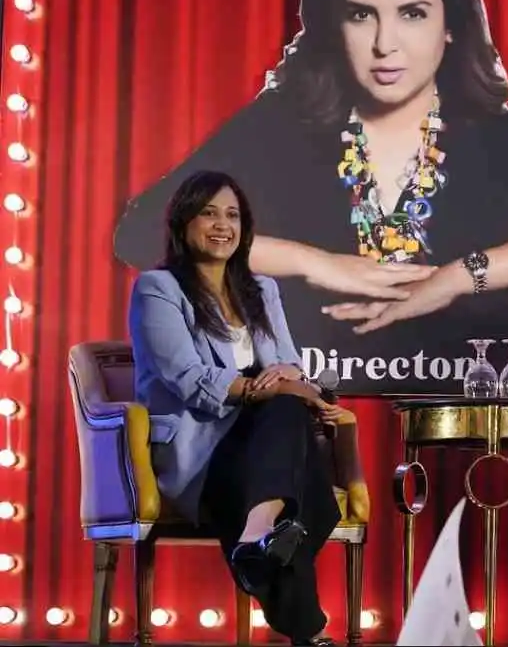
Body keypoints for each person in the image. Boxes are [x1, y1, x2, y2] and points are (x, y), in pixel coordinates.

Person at [113, 0, 508, 396]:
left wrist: (456, 278)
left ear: (451, 25)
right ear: (332, 26)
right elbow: (142, 232)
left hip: (458, 402)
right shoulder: (280, 126)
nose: (385, 44)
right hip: (305, 401)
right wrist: (312, 263)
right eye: (361, 15)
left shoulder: (497, 136)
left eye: (412, 14)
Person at [129, 170, 353, 647]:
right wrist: (261, 389)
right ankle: (289, 592)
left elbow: (289, 362)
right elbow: (188, 378)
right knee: (308, 486)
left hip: (264, 442)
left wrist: (286, 376)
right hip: (201, 450)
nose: (222, 225)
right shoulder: (158, 288)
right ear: (183, 222)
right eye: (208, 213)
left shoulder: (262, 290)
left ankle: (258, 538)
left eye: (232, 215)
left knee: (286, 415)